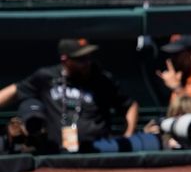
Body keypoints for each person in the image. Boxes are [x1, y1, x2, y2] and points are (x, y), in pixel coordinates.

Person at [0, 38, 139, 153]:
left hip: (96, 151)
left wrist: (128, 135)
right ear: (65, 60)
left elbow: (130, 105)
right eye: (80, 59)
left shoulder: (102, 79)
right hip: (57, 151)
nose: (86, 63)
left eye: (88, 57)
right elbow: (15, 91)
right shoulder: (47, 77)